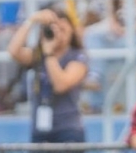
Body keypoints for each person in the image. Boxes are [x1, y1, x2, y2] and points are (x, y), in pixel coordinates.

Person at [7, 8, 88, 143]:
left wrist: (50, 54)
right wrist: (32, 21)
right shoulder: (38, 54)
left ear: (71, 32)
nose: (59, 35)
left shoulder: (77, 56)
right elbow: (13, 51)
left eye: (63, 30)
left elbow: (61, 85)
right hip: (40, 128)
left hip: (68, 129)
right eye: (54, 30)